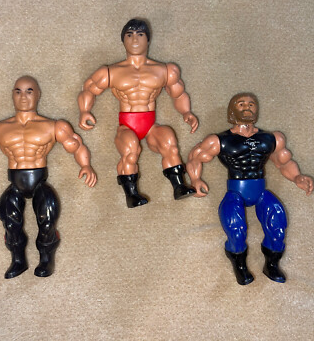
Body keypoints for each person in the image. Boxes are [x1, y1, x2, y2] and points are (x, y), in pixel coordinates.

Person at [0, 76, 97, 279]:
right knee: (10, 224)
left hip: (39, 182)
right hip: (15, 183)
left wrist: (86, 165)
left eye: (29, 91)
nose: (23, 96)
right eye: (18, 91)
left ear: (38, 95)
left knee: (48, 221)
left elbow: (76, 145)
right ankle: (18, 260)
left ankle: (46, 259)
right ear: (12, 95)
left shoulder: (54, 126)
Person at [186, 93, 313, 285]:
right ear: (232, 110)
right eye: (241, 103)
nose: (247, 107)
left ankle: (271, 264)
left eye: (251, 104)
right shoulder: (219, 140)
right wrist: (195, 179)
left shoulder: (271, 138)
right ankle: (239, 265)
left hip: (260, 192)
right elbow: (195, 157)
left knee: (278, 227)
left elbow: (283, 162)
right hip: (235, 192)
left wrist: (297, 177)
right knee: (235, 231)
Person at [78, 18, 198, 208]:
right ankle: (131, 194)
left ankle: (179, 186)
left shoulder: (164, 70)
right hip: (127, 125)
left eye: (140, 34)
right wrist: (84, 111)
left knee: (168, 140)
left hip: (150, 125)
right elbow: (89, 89)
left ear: (148, 39)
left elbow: (178, 93)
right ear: (123, 40)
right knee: (130, 149)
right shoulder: (111, 72)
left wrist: (186, 112)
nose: (135, 39)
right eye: (130, 35)